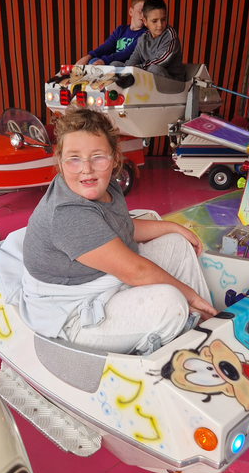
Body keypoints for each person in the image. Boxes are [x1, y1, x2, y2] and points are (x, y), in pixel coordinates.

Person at [21, 106, 216, 355]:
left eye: (97, 157)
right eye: (74, 158)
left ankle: (204, 326)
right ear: (60, 161)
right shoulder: (68, 214)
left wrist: (174, 227)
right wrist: (190, 296)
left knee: (177, 244)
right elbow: (137, 272)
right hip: (74, 314)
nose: (87, 168)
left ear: (114, 158)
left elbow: (122, 227)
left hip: (98, 281)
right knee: (172, 303)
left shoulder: (106, 186)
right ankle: (179, 342)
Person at [75, 0, 151, 66]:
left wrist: (105, 60)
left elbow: (128, 52)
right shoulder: (120, 30)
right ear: (131, 12)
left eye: (146, 12)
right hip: (112, 63)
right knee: (92, 61)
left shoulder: (145, 34)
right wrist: (88, 57)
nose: (143, 15)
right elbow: (106, 47)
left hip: (127, 66)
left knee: (112, 64)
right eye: (141, 10)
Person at [120, 0, 186, 81]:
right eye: (154, 21)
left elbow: (161, 61)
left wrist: (137, 68)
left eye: (163, 19)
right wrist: (128, 68)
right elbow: (134, 59)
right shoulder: (143, 38)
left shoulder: (170, 35)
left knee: (154, 69)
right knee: (116, 64)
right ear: (145, 21)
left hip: (173, 81)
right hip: (149, 79)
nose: (160, 25)